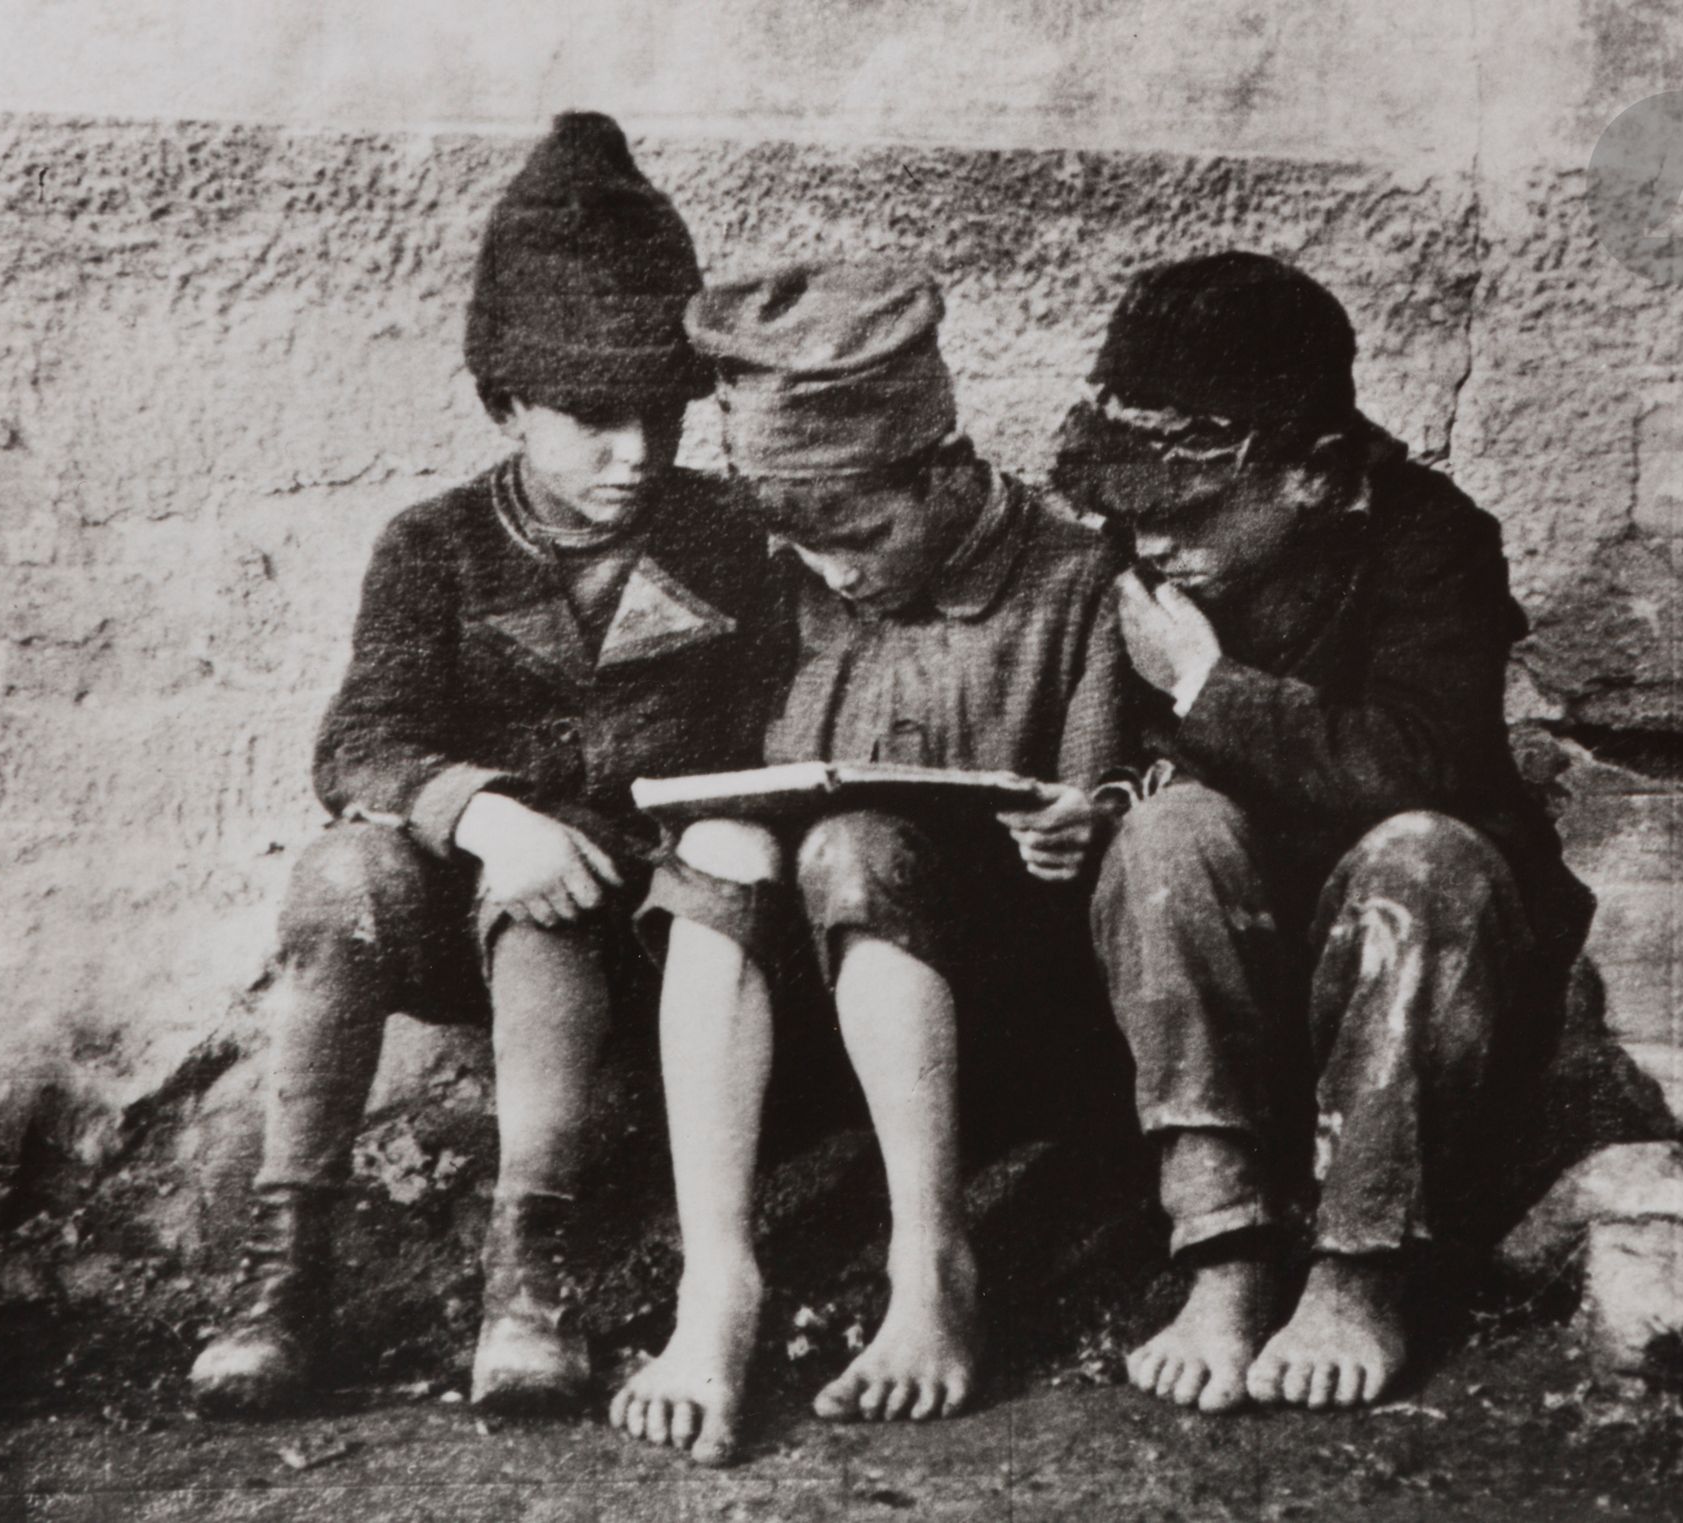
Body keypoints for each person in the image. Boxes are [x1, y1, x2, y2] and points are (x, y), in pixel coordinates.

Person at [188, 113, 781, 1415]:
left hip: (654, 931)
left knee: (553, 898)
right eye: (592, 416)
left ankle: (534, 1268)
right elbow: (360, 740)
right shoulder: (437, 543)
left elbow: (779, 733)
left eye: (663, 416)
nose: (638, 453)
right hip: (464, 903)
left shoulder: (733, 542)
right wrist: (483, 809)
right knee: (344, 871)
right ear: (507, 403)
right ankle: (286, 1277)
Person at [1053, 252, 1594, 1414]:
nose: (1149, 544)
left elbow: (1420, 762)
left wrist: (1208, 686)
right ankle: (1225, 1250)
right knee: (1164, 835)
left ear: (1316, 473)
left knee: (1424, 850)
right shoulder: (1147, 558)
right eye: (1131, 511)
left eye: (1185, 510)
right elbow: (1106, 752)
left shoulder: (1430, 541)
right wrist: (1084, 804)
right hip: (1234, 996)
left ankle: (1362, 1264)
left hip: (1420, 983)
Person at [607, 261, 1128, 1464]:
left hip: (1003, 1019)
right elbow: (663, 753)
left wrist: (1082, 818)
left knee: (857, 843)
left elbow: (1120, 796)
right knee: (732, 838)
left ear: (944, 475)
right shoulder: (776, 578)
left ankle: (932, 1264)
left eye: (861, 534)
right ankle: (718, 1282)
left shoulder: (1074, 578)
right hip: (800, 1027)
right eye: (803, 539)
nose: (833, 569)